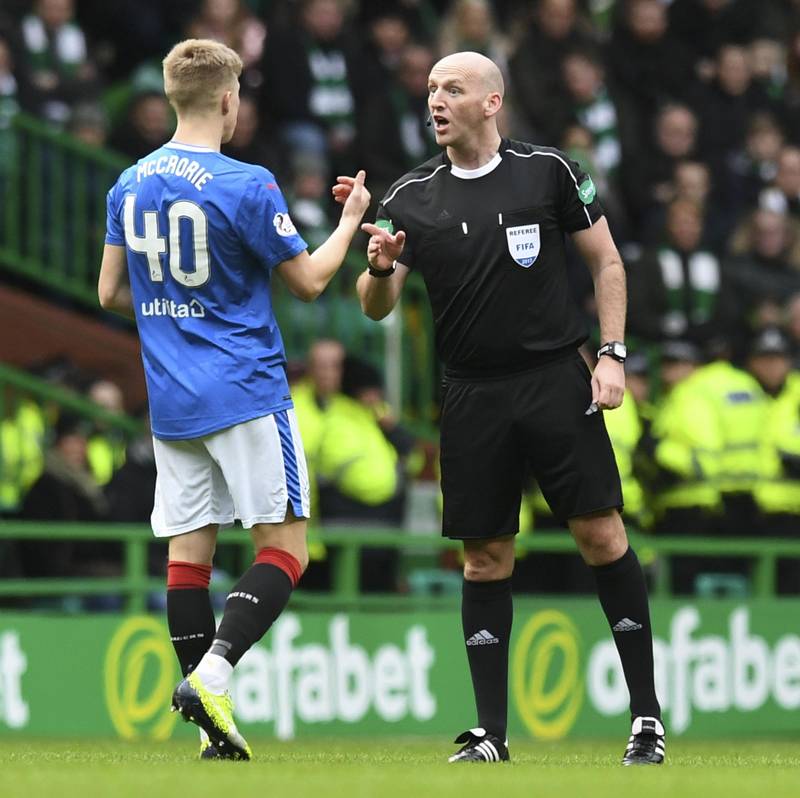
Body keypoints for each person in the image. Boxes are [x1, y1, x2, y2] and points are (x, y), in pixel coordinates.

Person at [342, 51, 664, 765]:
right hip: (470, 393)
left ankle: (646, 718)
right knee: (484, 559)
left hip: (555, 378)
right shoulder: (411, 194)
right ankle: (492, 733)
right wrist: (380, 267)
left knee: (601, 537)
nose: (436, 100)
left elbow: (607, 261)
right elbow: (374, 307)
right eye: (431, 89)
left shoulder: (549, 171)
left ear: (491, 102)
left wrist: (612, 354)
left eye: (452, 89)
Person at [98, 38, 370, 761]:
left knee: (189, 554)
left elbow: (110, 292)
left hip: (171, 400)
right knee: (286, 548)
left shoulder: (129, 183)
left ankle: (210, 729)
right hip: (246, 389)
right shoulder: (246, 183)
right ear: (228, 100)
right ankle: (213, 676)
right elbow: (309, 283)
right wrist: (349, 222)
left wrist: (175, 316)